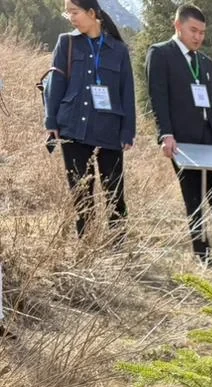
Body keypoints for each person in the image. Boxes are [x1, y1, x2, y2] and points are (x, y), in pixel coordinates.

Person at [146, 4, 212, 273]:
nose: (198, 37)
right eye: (193, 30)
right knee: (193, 198)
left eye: (202, 32)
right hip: (183, 142)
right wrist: (166, 133)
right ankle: (203, 255)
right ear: (177, 25)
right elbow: (159, 97)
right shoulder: (160, 54)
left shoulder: (206, 63)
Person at [44, 0, 135, 238]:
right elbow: (56, 84)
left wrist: (128, 131)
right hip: (73, 127)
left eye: (75, 12)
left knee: (114, 193)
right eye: (68, 13)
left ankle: (118, 245)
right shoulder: (66, 43)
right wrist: (51, 121)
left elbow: (127, 92)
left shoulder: (119, 50)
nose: (71, 17)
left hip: (109, 131)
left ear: (92, 13)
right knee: (81, 194)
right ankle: (86, 244)